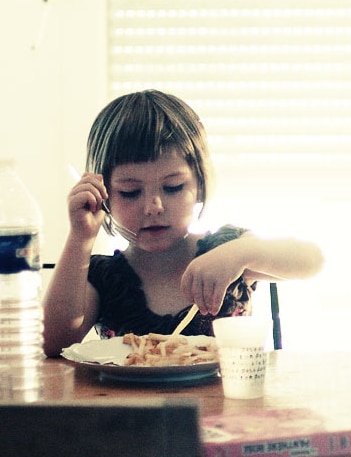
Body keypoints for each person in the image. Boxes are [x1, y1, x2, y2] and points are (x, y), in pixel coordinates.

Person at [42, 89, 324, 357]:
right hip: (132, 408)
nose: (154, 207)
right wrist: (81, 237)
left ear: (199, 184)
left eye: (173, 187)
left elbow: (313, 261)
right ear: (105, 196)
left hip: (228, 405)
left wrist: (241, 253)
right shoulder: (105, 278)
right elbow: (52, 343)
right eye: (131, 192)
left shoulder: (225, 252)